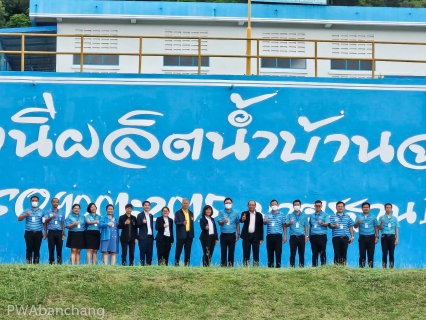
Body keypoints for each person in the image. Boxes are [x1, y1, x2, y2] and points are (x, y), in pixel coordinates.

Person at [18, 195, 45, 264]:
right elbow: (19, 219)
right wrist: (25, 215)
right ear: (30, 202)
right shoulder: (27, 210)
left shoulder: (42, 211)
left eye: (36, 201)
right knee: (29, 248)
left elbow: (44, 222)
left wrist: (45, 232)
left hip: (38, 233)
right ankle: (28, 264)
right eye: (33, 200)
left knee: (37, 249)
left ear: (38, 202)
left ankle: (36, 265)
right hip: (29, 233)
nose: (34, 202)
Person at [217, 197, 241, 267]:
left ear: (232, 204)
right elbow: (219, 223)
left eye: (229, 203)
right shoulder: (221, 212)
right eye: (226, 203)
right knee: (223, 252)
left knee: (231, 252)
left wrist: (238, 233)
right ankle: (223, 266)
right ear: (224, 204)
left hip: (232, 235)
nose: (228, 204)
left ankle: (231, 266)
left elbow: (237, 223)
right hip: (223, 235)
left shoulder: (235, 213)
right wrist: (223, 221)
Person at [354, 202, 378, 268]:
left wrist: (377, 237)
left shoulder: (373, 217)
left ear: (369, 208)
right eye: (364, 207)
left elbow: (376, 227)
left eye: (367, 207)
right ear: (362, 209)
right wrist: (358, 223)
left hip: (371, 237)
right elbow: (355, 226)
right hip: (362, 238)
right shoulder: (358, 216)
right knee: (362, 254)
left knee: (371, 254)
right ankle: (361, 269)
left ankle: (370, 269)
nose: (365, 208)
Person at [285, 200, 309, 268]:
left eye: (297, 205)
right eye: (295, 205)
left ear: (300, 206)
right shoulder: (289, 215)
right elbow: (286, 225)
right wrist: (290, 223)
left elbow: (306, 226)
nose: (296, 206)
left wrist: (307, 235)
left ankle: (301, 268)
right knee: (292, 254)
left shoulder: (304, 215)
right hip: (293, 237)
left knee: (301, 254)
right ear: (293, 206)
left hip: (301, 237)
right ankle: (292, 268)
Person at [240, 200, 264, 267]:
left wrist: (261, 238)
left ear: (255, 206)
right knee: (246, 253)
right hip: (246, 237)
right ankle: (245, 267)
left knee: (256, 253)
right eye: (250, 205)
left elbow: (261, 227)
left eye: (253, 205)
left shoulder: (259, 215)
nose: (251, 206)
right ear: (248, 206)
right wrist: (243, 219)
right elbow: (241, 220)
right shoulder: (244, 213)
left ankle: (255, 267)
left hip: (256, 237)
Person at [264, 199, 286, 268]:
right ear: (270, 206)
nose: (274, 206)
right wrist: (266, 222)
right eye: (272, 205)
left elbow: (284, 226)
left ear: (278, 205)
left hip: (278, 236)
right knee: (270, 252)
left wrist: (285, 236)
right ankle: (270, 267)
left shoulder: (281, 215)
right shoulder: (267, 214)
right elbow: (264, 223)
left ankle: (278, 267)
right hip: (270, 236)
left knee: (278, 252)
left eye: (275, 204)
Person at [43, 197, 66, 264]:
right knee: (51, 248)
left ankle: (59, 263)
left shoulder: (61, 212)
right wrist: (51, 217)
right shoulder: (47, 212)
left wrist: (63, 233)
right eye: (54, 202)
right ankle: (51, 263)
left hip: (59, 232)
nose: (55, 203)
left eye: (57, 202)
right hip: (51, 232)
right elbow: (45, 221)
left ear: (58, 203)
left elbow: (62, 223)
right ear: (51, 203)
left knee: (59, 249)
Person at [378, 203, 399, 268]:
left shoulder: (394, 218)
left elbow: (396, 228)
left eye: (389, 207)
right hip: (384, 236)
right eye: (387, 207)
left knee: (391, 253)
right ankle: (384, 267)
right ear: (385, 208)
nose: (388, 209)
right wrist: (381, 222)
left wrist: (397, 238)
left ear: (391, 209)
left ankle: (391, 267)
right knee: (384, 253)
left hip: (392, 236)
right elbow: (380, 228)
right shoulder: (381, 217)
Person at [174, 198, 195, 266]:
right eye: (184, 203)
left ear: (188, 204)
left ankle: (187, 265)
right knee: (178, 250)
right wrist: (182, 223)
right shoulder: (178, 213)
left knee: (188, 251)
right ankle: (176, 265)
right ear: (181, 204)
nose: (185, 204)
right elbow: (176, 222)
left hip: (189, 235)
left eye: (186, 203)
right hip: (181, 234)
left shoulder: (191, 213)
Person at [309, 200, 329, 267]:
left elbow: (327, 224)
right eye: (316, 206)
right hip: (313, 236)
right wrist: (309, 235)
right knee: (314, 253)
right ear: (314, 206)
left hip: (322, 236)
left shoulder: (325, 215)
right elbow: (310, 226)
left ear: (321, 206)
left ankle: (323, 267)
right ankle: (314, 267)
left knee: (322, 252)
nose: (318, 207)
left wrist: (322, 223)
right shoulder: (311, 215)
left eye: (319, 206)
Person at [136, 200, 155, 266]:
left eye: (148, 205)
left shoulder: (151, 215)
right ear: (143, 206)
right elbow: (137, 225)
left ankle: (149, 266)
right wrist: (142, 222)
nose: (147, 206)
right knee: (142, 252)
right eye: (145, 205)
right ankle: (142, 266)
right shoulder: (140, 215)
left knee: (150, 252)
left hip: (150, 237)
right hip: (143, 237)